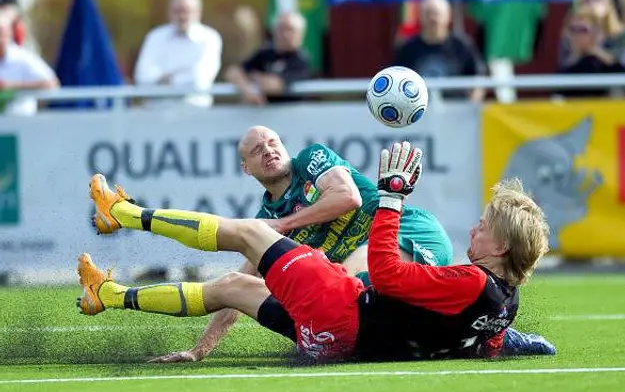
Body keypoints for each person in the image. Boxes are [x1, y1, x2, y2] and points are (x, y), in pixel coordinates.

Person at [79, 126, 555, 360]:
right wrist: (204, 347)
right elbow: (244, 272)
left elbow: (353, 207)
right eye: (256, 149)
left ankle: (121, 213)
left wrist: (390, 198)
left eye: (484, 225)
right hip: (336, 340)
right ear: (246, 167)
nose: (473, 229)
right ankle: (110, 295)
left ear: (502, 248)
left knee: (250, 233)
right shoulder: (503, 299)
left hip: (365, 276)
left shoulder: (312, 162)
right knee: (233, 287)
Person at [133, 0, 223, 108]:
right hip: (156, 114)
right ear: (169, 13)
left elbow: (199, 80)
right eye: (177, 11)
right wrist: (182, 76)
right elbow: (142, 77)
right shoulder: (155, 37)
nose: (181, 16)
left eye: (186, 11)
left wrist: (165, 80)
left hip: (195, 113)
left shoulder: (209, 38)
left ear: (198, 12)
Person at [225, 12, 310, 105]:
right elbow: (233, 72)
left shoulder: (300, 59)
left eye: (290, 30)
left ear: (300, 34)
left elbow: (275, 85)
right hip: (260, 115)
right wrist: (247, 90)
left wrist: (253, 77)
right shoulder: (265, 53)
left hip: (290, 114)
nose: (285, 34)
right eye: (281, 29)